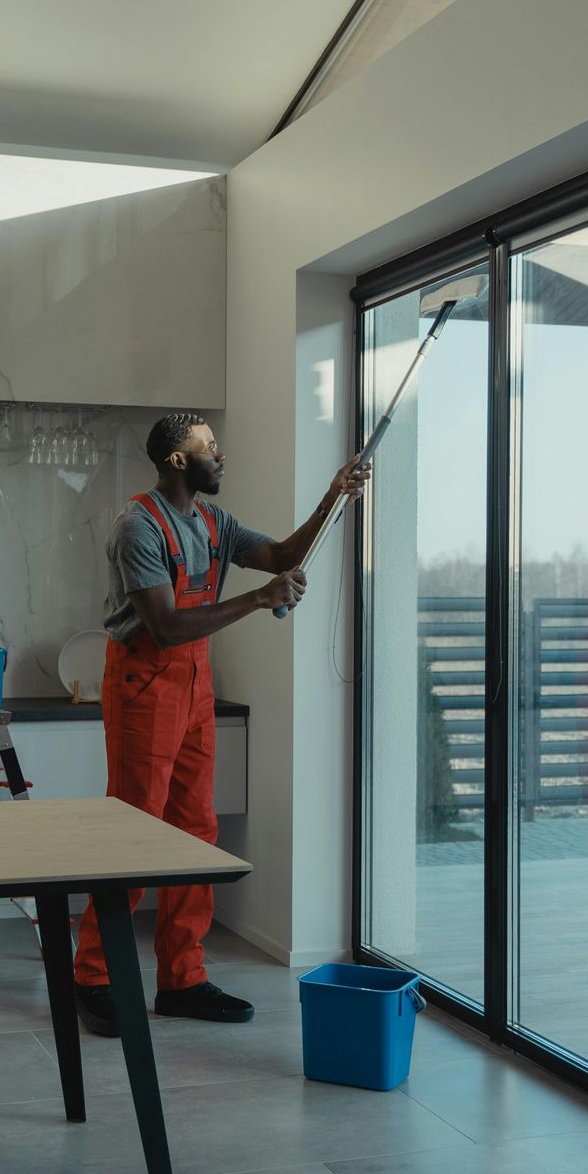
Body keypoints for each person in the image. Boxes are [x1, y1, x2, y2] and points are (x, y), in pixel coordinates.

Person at [72, 411, 371, 1035]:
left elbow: (285, 553)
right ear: (178, 461)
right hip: (144, 683)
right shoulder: (138, 526)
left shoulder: (213, 522)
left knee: (194, 833)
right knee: (133, 834)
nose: (221, 456)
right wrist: (262, 599)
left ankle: (182, 979)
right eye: (210, 449)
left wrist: (333, 494)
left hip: (195, 683)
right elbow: (165, 626)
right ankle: (94, 977)